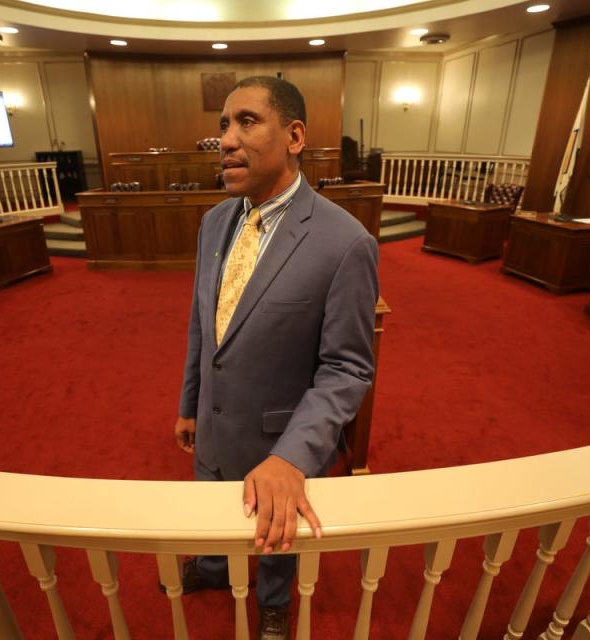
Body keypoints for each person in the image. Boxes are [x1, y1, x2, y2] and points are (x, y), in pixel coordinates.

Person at [173, 75, 379, 640]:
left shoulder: (346, 242)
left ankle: (271, 601)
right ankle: (214, 568)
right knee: (214, 509)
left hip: (278, 443)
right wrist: (190, 402)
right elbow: (203, 323)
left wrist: (292, 457)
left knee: (273, 533)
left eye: (246, 122)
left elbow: (348, 368)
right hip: (213, 428)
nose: (226, 140)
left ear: (293, 136)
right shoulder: (214, 221)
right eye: (222, 125)